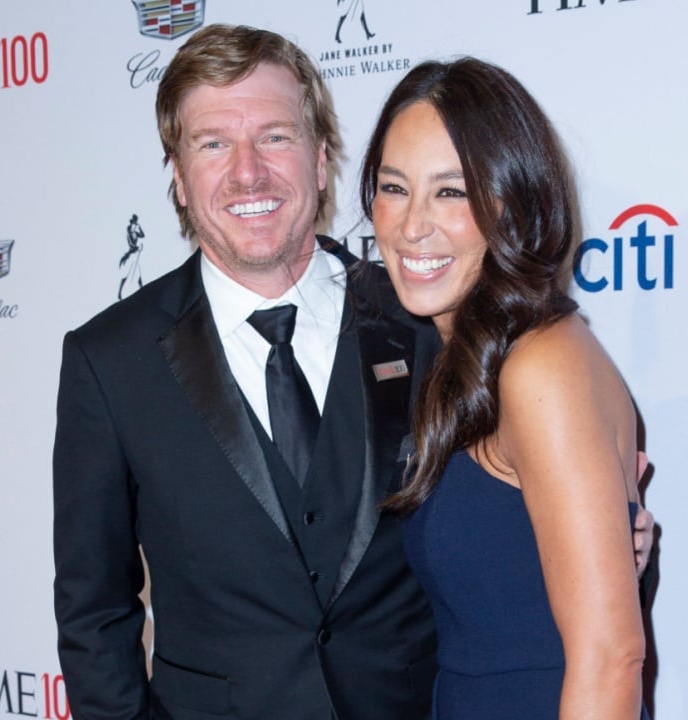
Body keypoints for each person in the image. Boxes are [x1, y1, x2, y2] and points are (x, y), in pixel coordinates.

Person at [53, 24, 655, 720]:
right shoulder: (111, 360)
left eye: (275, 136)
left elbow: (531, 555)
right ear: (179, 179)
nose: (248, 172)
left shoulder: (432, 321)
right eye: (213, 144)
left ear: (320, 159)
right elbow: (94, 615)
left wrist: (615, 539)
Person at [361, 58, 650, 719]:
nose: (412, 226)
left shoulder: (542, 366)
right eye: (394, 187)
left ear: (511, 201)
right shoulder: (460, 356)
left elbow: (611, 658)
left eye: (451, 193)